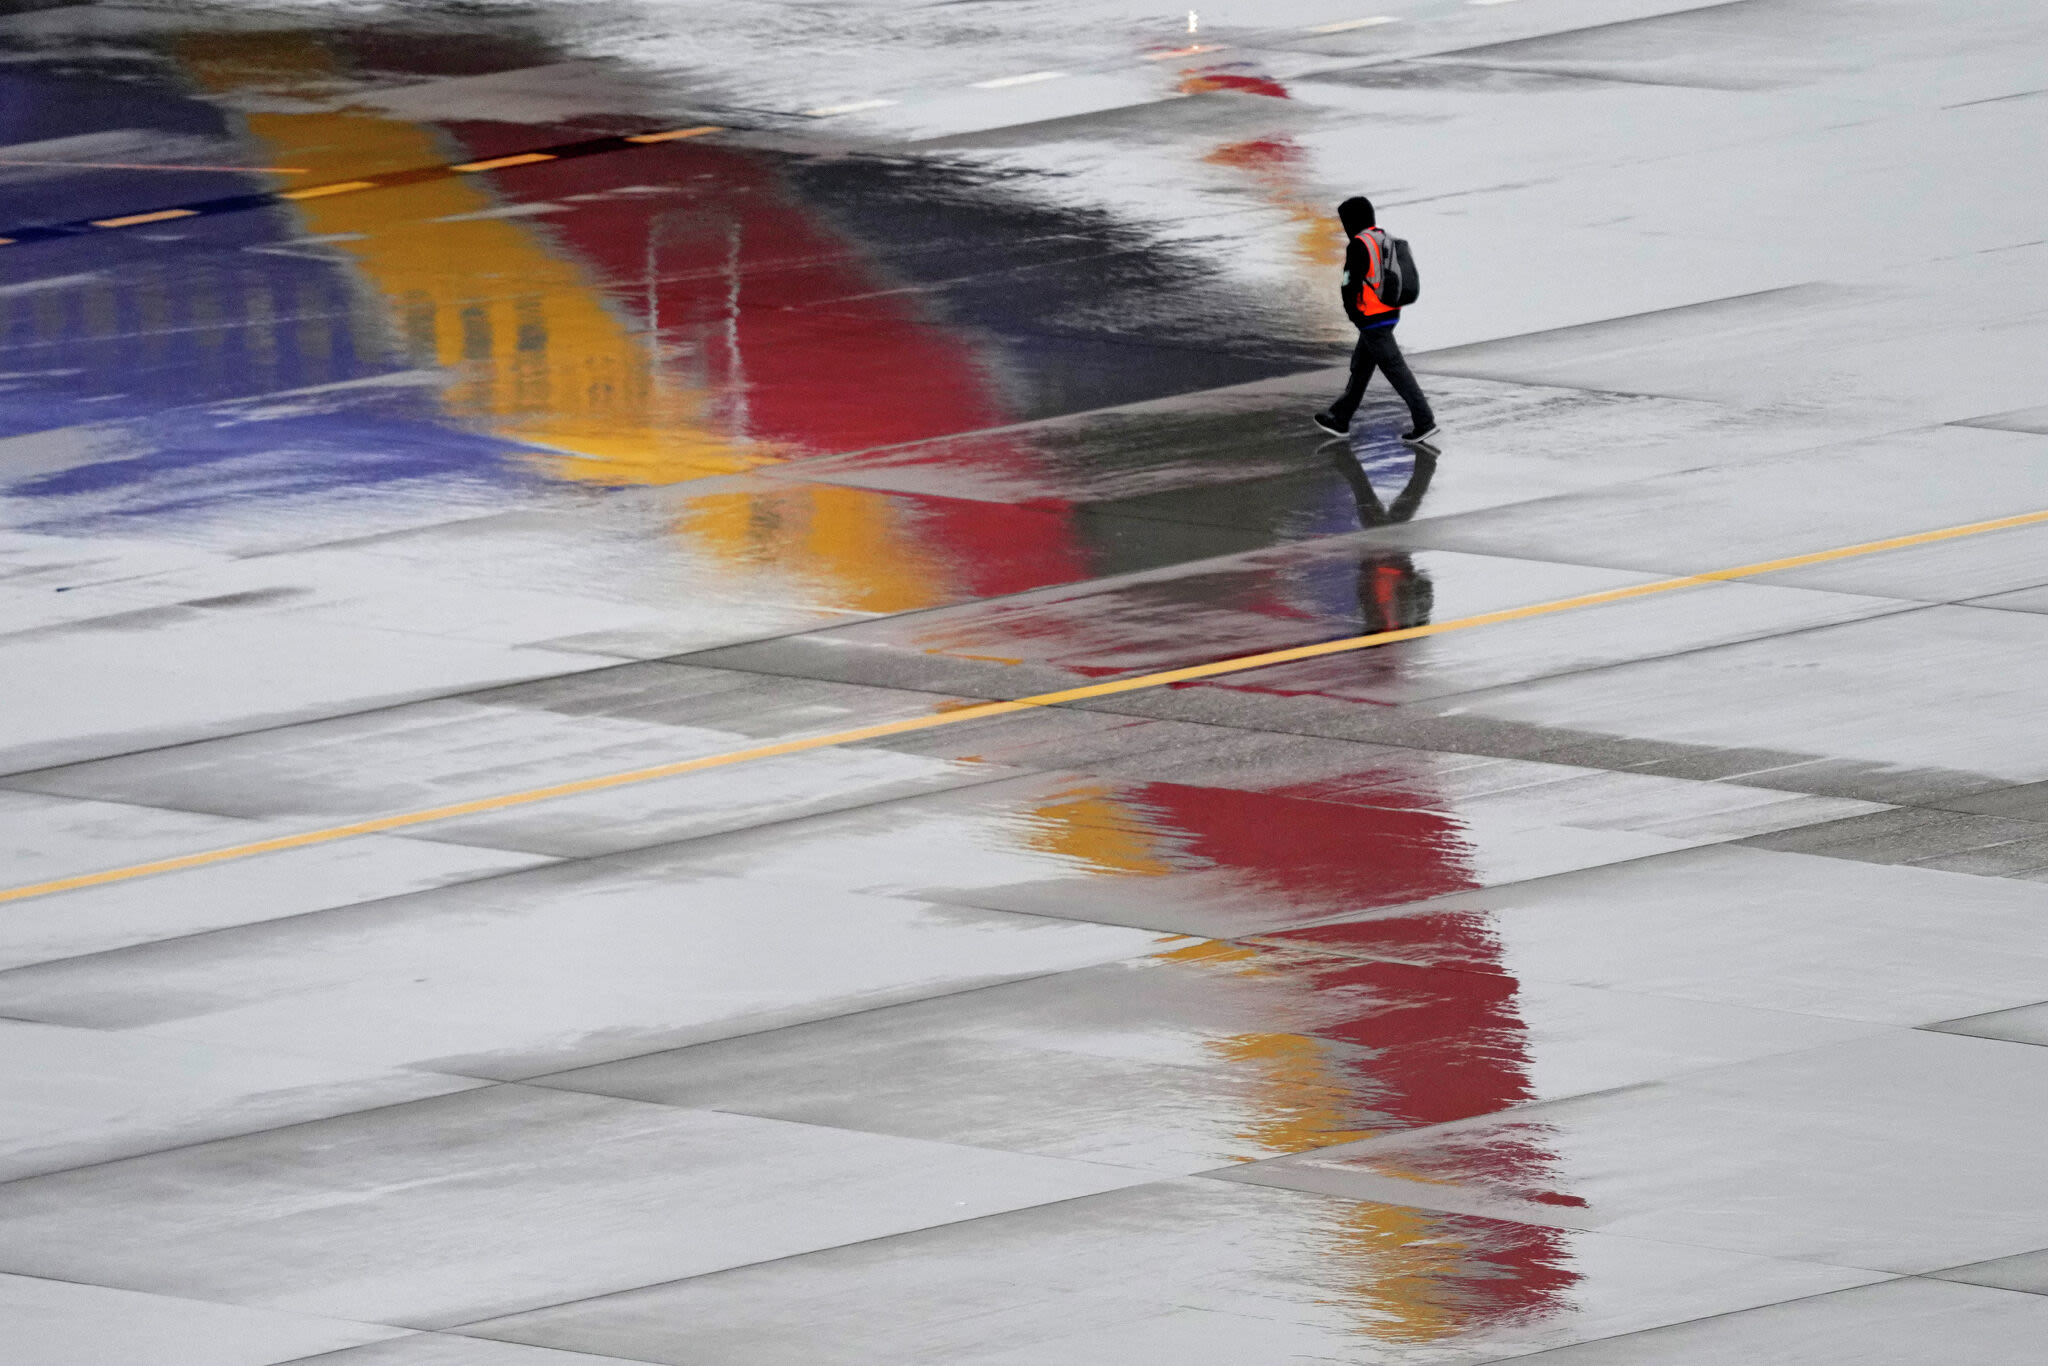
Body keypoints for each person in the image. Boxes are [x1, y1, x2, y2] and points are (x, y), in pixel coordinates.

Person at [1313, 196, 1438, 446]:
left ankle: (1425, 422)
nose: (1344, 227)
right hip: (1390, 312)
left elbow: (1349, 285)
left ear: (1353, 221)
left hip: (1371, 318)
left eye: (1345, 221)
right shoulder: (1383, 237)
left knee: (1396, 370)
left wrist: (1353, 315)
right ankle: (1340, 419)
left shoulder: (1359, 244)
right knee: (1361, 367)